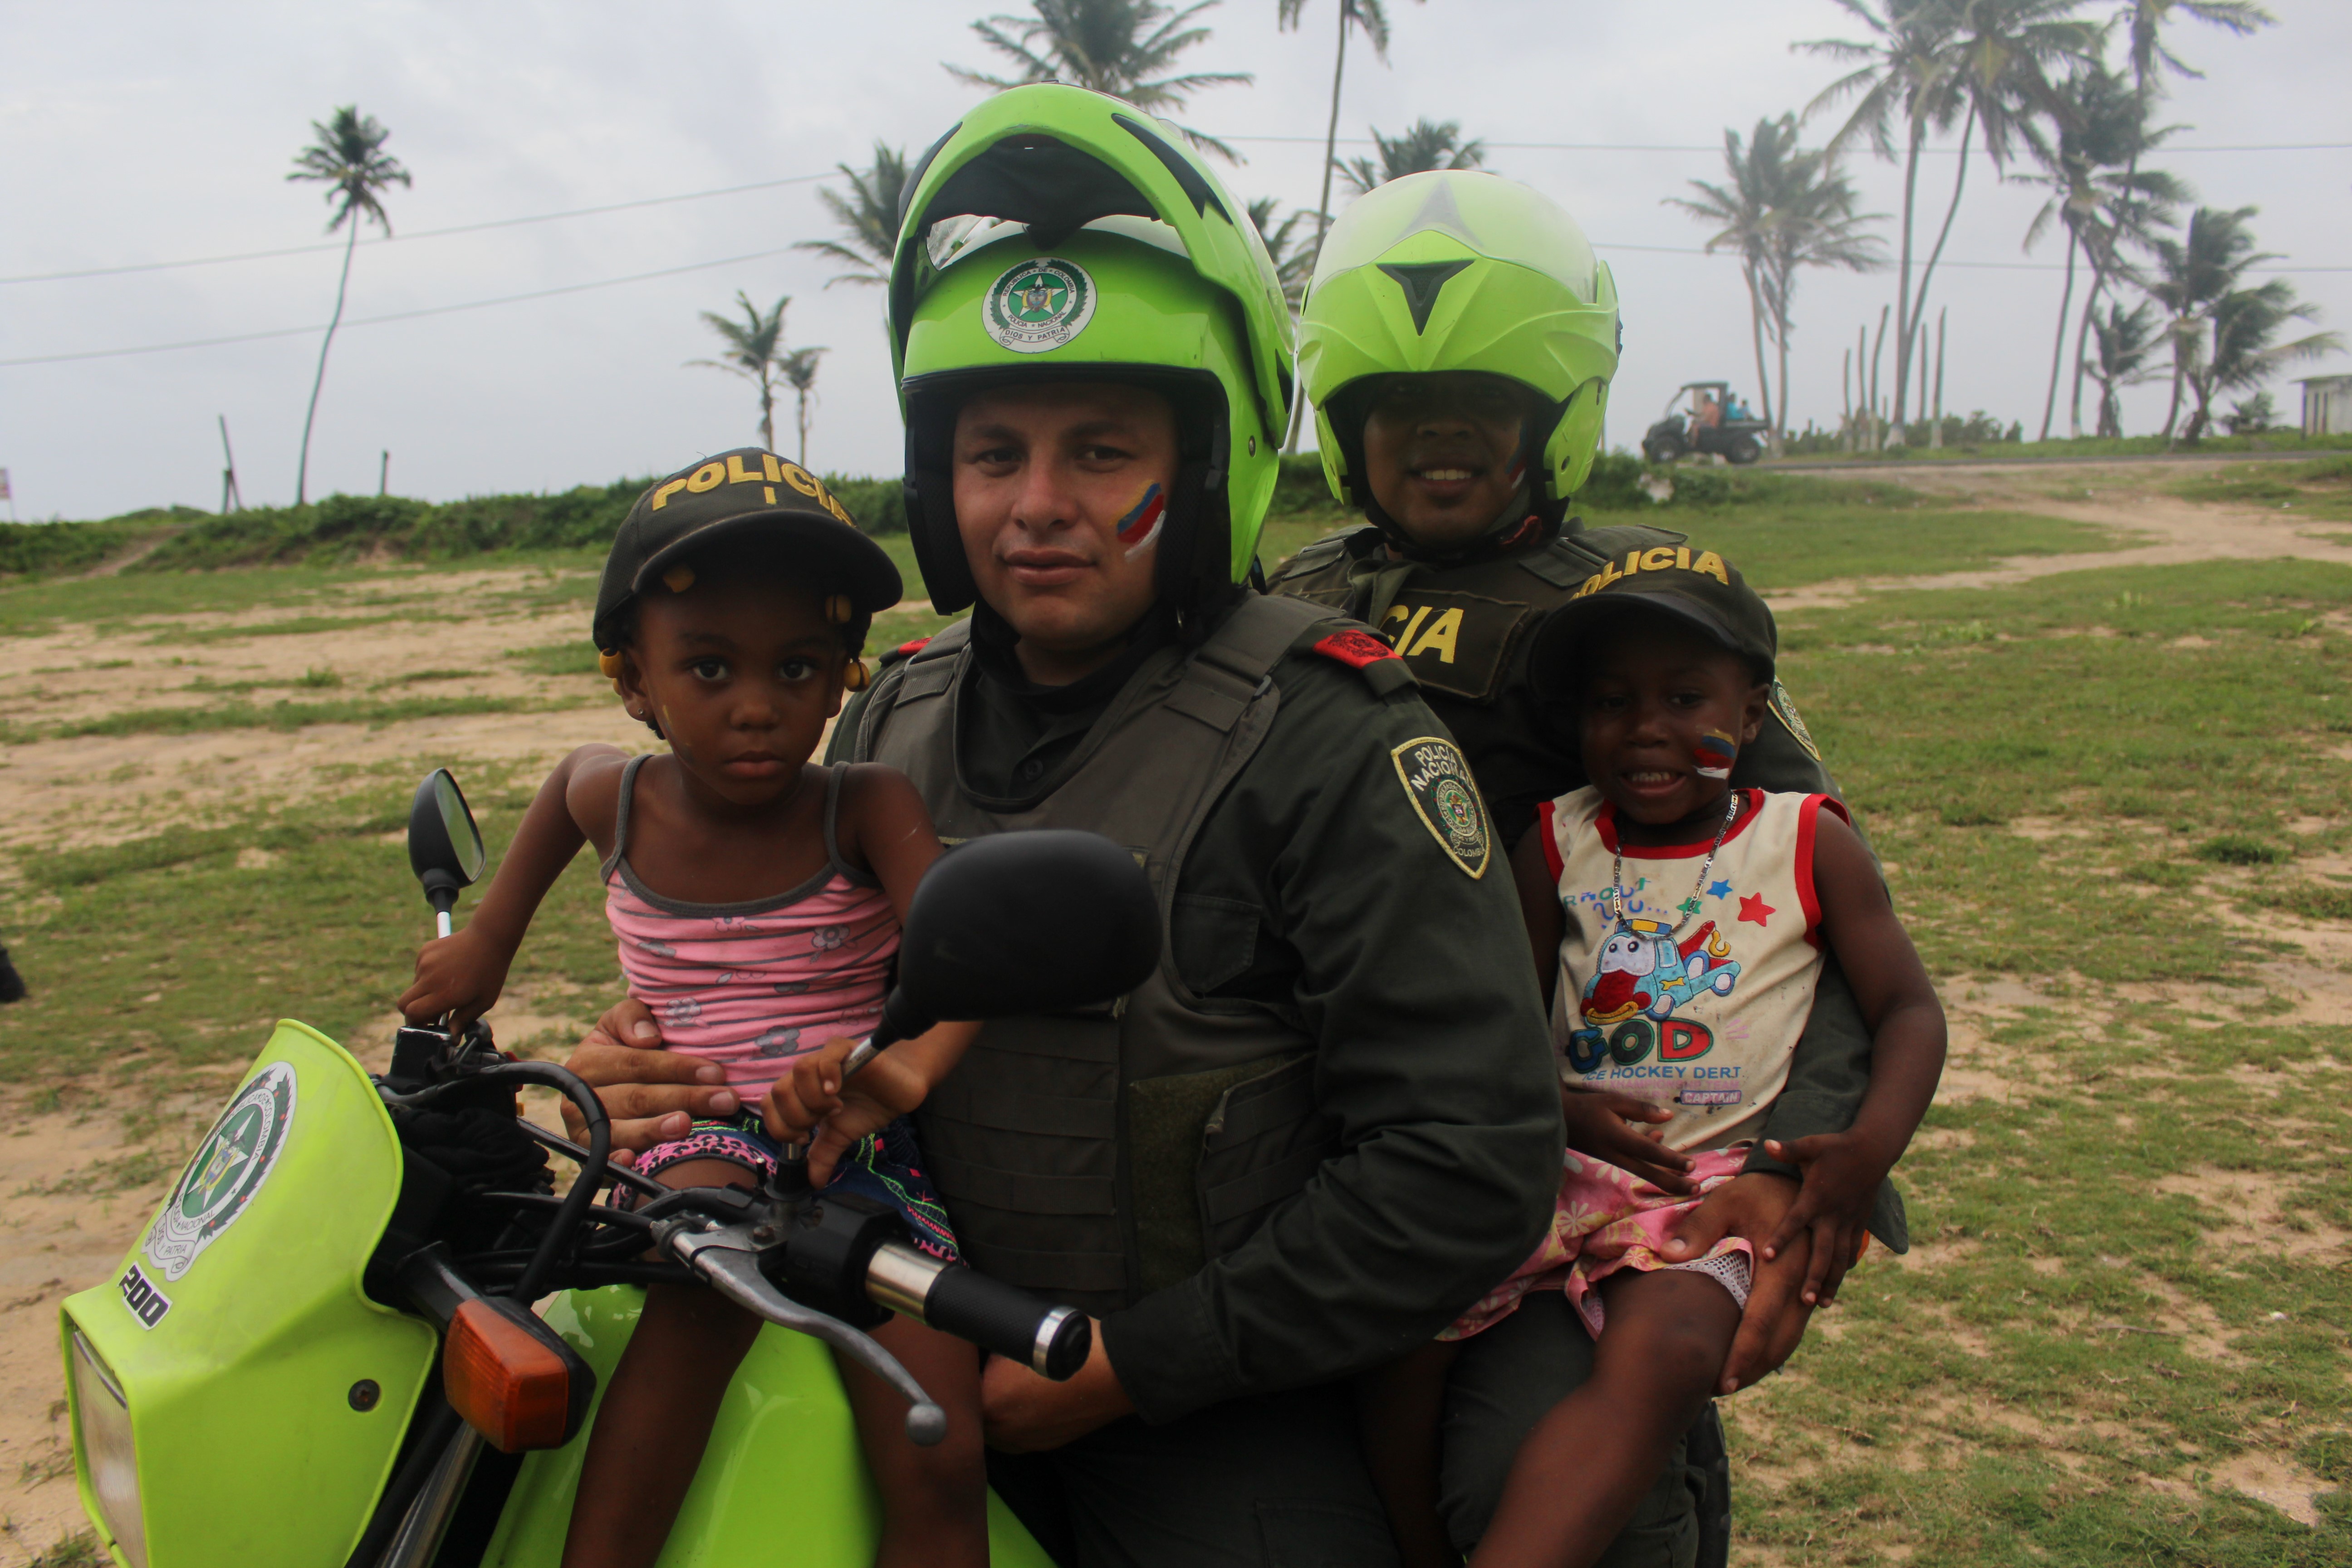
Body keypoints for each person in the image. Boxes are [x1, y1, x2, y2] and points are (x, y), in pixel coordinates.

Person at [562, 85, 1575, 1566]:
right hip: (884, 1319)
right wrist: (652, 1062)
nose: (1036, 505)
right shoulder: (886, 715)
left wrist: (1134, 1363)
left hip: (1195, 1389)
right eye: (992, 455)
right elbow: (786, 973)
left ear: (1205, 459)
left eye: (1101, 451)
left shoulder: (1327, 733)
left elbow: (1465, 1157)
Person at [1269, 169, 1906, 1563]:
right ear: (1339, 423)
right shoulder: (1289, 603)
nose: (1440, 446)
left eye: (1485, 413)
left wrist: (1801, 1157)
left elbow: (1809, 898)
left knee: (1551, 1494)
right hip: (1331, 1149)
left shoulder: (1632, 616)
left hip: (1586, 1167)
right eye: (1399, 415)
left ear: (1557, 420)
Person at [397, 452, 990, 1568]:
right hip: (695, 1124)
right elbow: (532, 851)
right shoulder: (606, 795)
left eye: (799, 667)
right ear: (636, 682)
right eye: (709, 668)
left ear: (843, 677)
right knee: (704, 1273)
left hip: (853, 1137)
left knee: (938, 1424)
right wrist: (480, 947)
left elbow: (967, 960)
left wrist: (901, 1069)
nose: (759, 707)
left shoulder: (867, 804)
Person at [1361, 549, 1946, 1568]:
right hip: (1551, 1167)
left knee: (1667, 1350)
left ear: (1755, 714)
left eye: (1686, 699)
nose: (1645, 729)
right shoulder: (1556, 841)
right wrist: (1556, 1107)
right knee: (1401, 1341)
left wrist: (1862, 1151)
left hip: (1712, 1182)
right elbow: (1503, 1016)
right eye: (1610, 702)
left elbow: (1907, 1010)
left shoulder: (1805, 839)